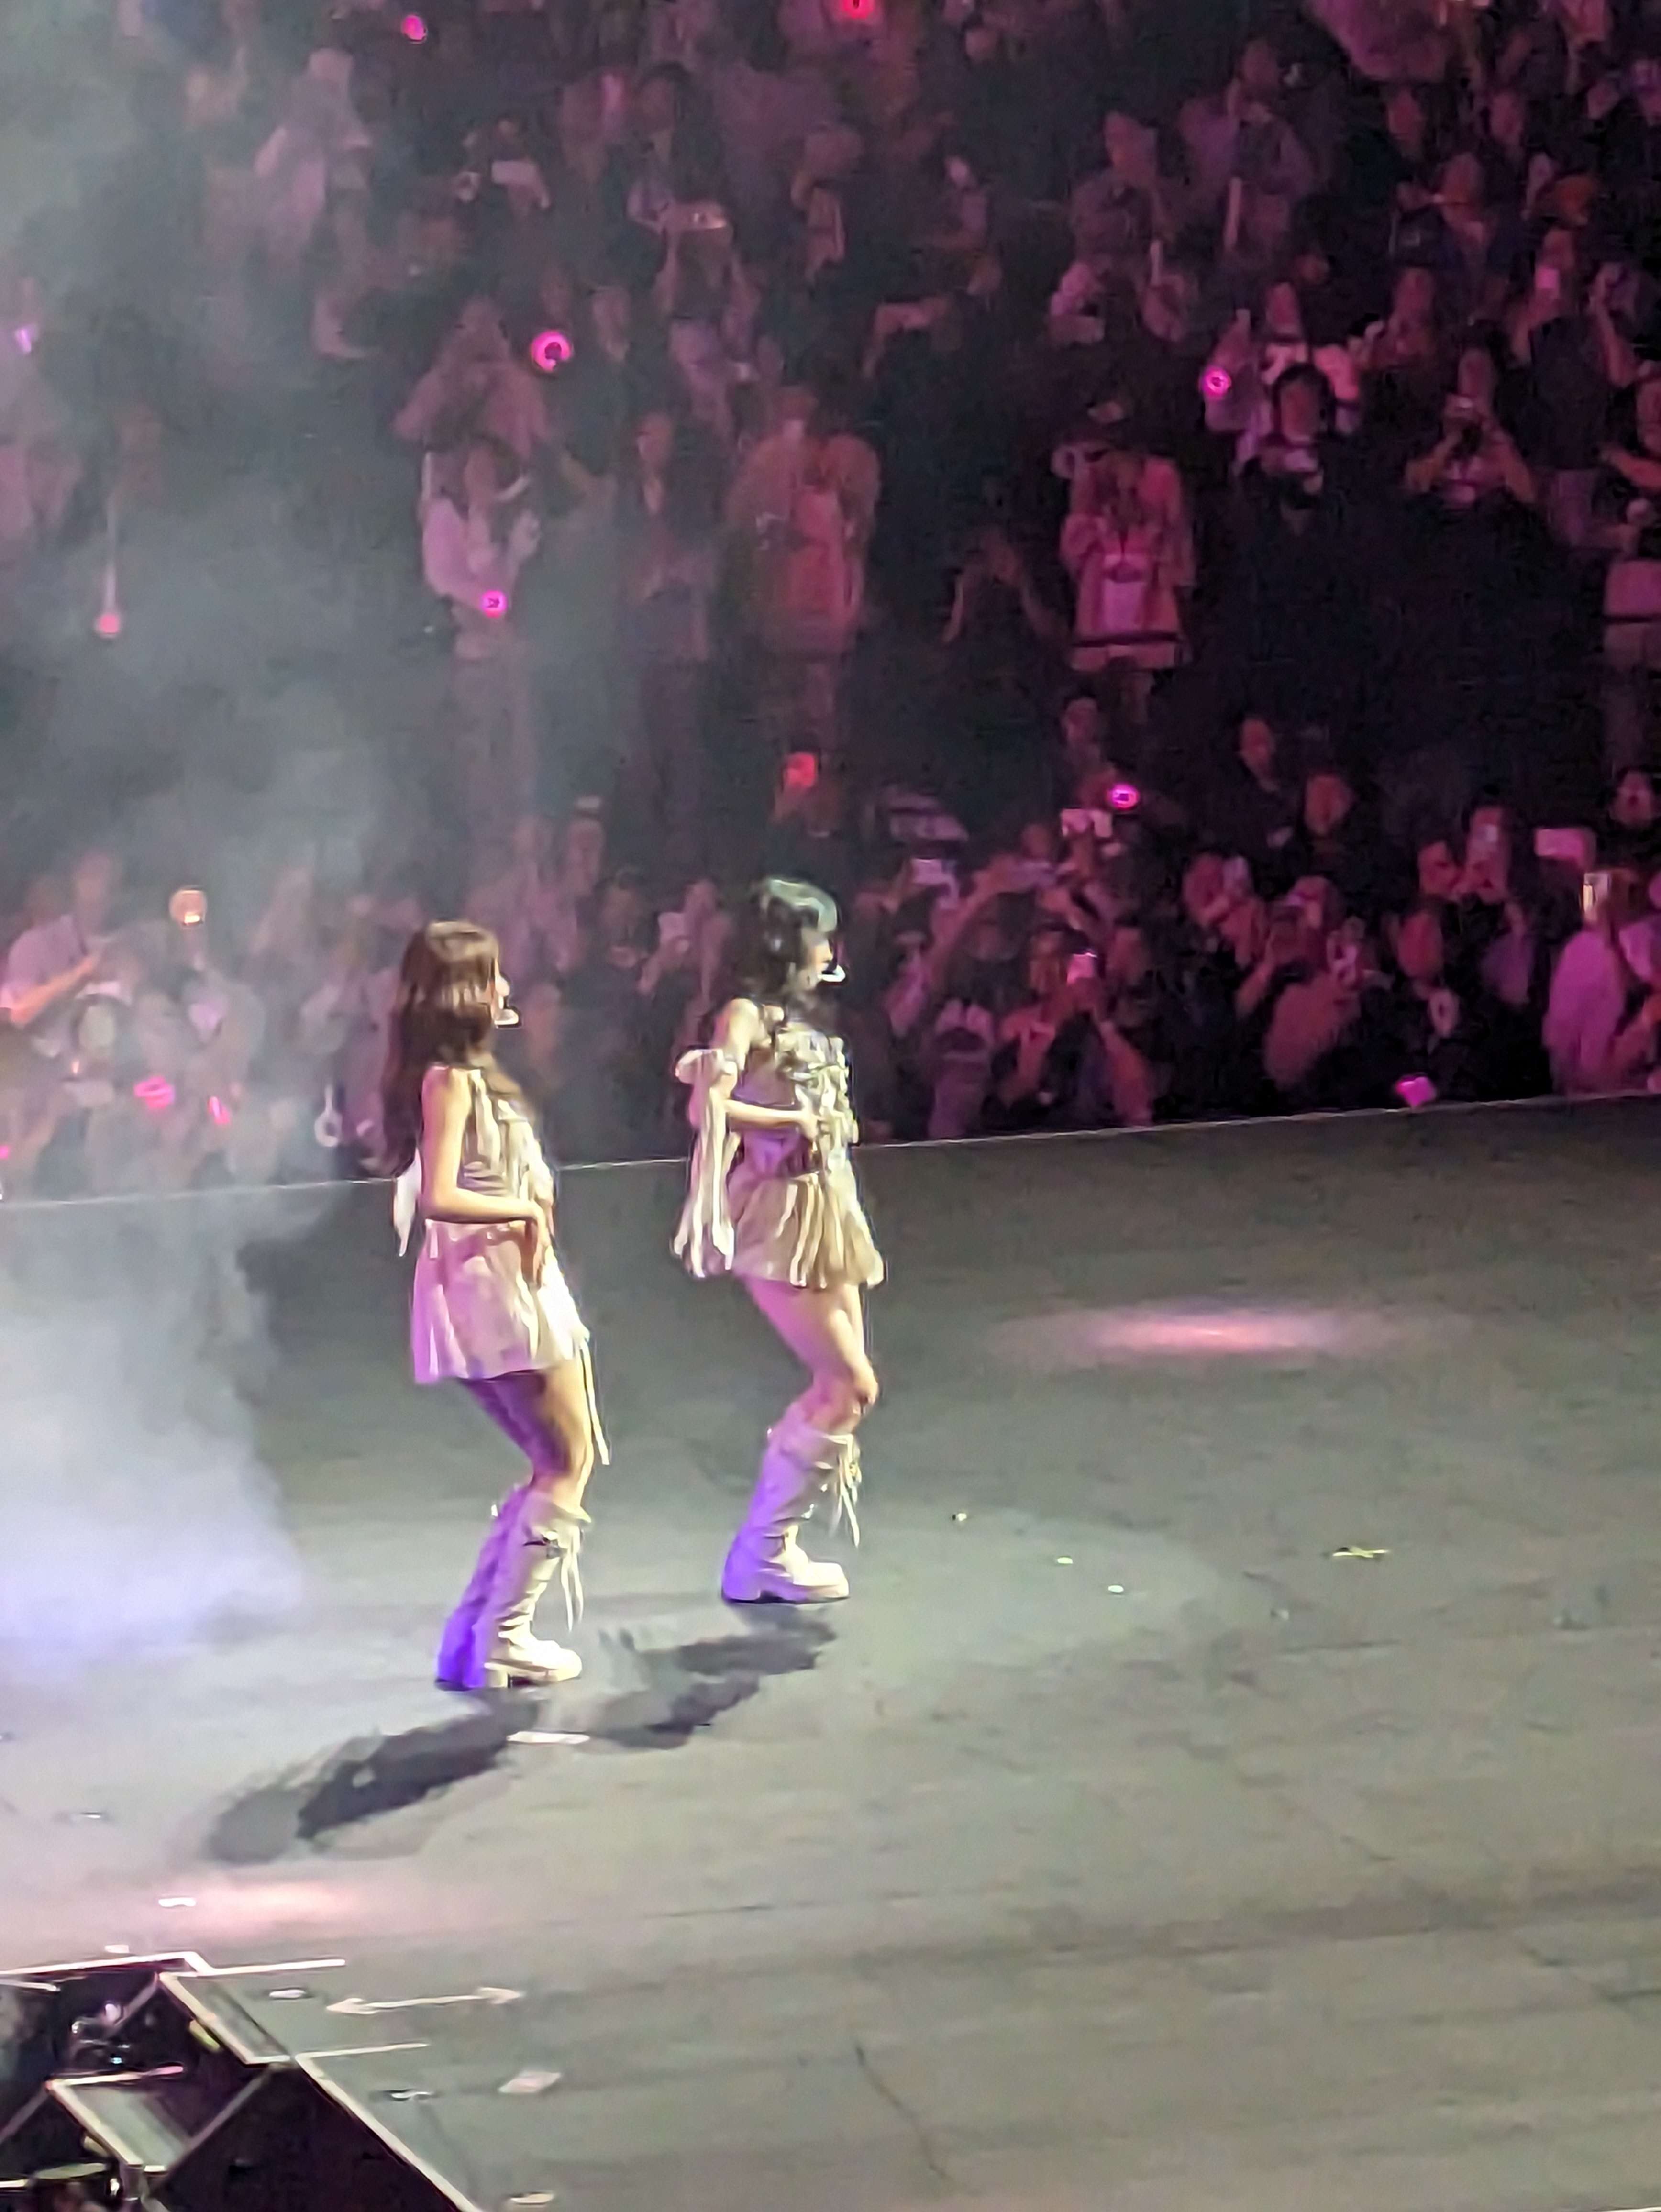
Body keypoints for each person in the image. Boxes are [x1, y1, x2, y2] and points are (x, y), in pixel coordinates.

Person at [382, 920, 607, 1691]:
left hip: (508, 1278)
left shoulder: (472, 1077)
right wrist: (520, 1211)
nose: (506, 989)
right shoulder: (448, 1080)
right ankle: (502, 1638)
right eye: (492, 977)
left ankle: (476, 1636)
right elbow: (441, 1194)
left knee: (559, 1457)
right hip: (494, 1283)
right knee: (566, 1460)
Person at [674, 878, 882, 1604]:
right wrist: (787, 1124)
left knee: (846, 1390)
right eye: (819, 936)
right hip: (780, 1213)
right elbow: (707, 1107)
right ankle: (762, 1553)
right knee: (848, 1384)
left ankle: (771, 1549)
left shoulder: (805, 1021)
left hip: (827, 1204)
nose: (829, 950)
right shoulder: (745, 1015)